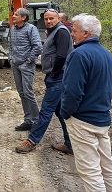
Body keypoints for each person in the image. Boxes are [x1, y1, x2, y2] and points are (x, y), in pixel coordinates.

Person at [61, 14, 112, 191]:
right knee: (108, 168)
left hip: (83, 121)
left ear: (86, 33)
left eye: (74, 30)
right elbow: (110, 87)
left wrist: (66, 113)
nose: (71, 34)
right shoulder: (107, 54)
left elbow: (72, 91)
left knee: (90, 172)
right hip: (102, 119)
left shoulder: (79, 55)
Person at [15, 8, 73, 154]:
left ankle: (32, 141)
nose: (48, 21)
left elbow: (61, 56)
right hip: (56, 76)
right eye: (46, 19)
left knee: (46, 110)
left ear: (58, 19)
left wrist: (53, 72)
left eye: (51, 18)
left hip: (58, 77)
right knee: (60, 111)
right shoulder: (55, 31)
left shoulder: (61, 32)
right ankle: (70, 143)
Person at [9, 8, 42, 131]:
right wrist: (11, 58)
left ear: (23, 17)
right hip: (15, 64)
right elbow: (11, 45)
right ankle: (28, 121)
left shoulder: (31, 29)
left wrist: (29, 60)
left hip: (26, 65)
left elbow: (38, 46)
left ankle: (37, 121)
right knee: (21, 93)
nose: (13, 16)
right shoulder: (13, 29)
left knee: (28, 93)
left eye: (16, 15)